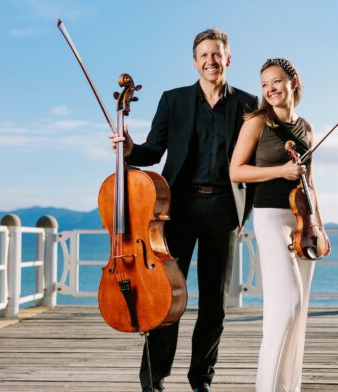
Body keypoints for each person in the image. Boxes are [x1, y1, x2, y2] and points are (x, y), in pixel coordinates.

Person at [109, 28, 258, 392]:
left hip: (224, 208)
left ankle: (201, 380)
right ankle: (154, 380)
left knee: (214, 305)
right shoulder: (173, 100)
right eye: (204, 55)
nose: (211, 60)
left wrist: (245, 213)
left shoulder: (248, 105)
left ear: (228, 59)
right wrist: (129, 149)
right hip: (176, 208)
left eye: (217, 54)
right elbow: (153, 152)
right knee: (164, 300)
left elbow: (254, 163)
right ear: (195, 62)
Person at [229, 58, 319, 392]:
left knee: (300, 309)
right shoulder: (256, 122)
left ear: (293, 82)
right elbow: (236, 171)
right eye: (265, 84)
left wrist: (317, 224)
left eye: (277, 81)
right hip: (268, 216)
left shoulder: (306, 128)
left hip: (301, 218)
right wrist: (280, 172)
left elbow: (312, 180)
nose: (270, 89)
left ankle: (288, 388)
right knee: (288, 304)